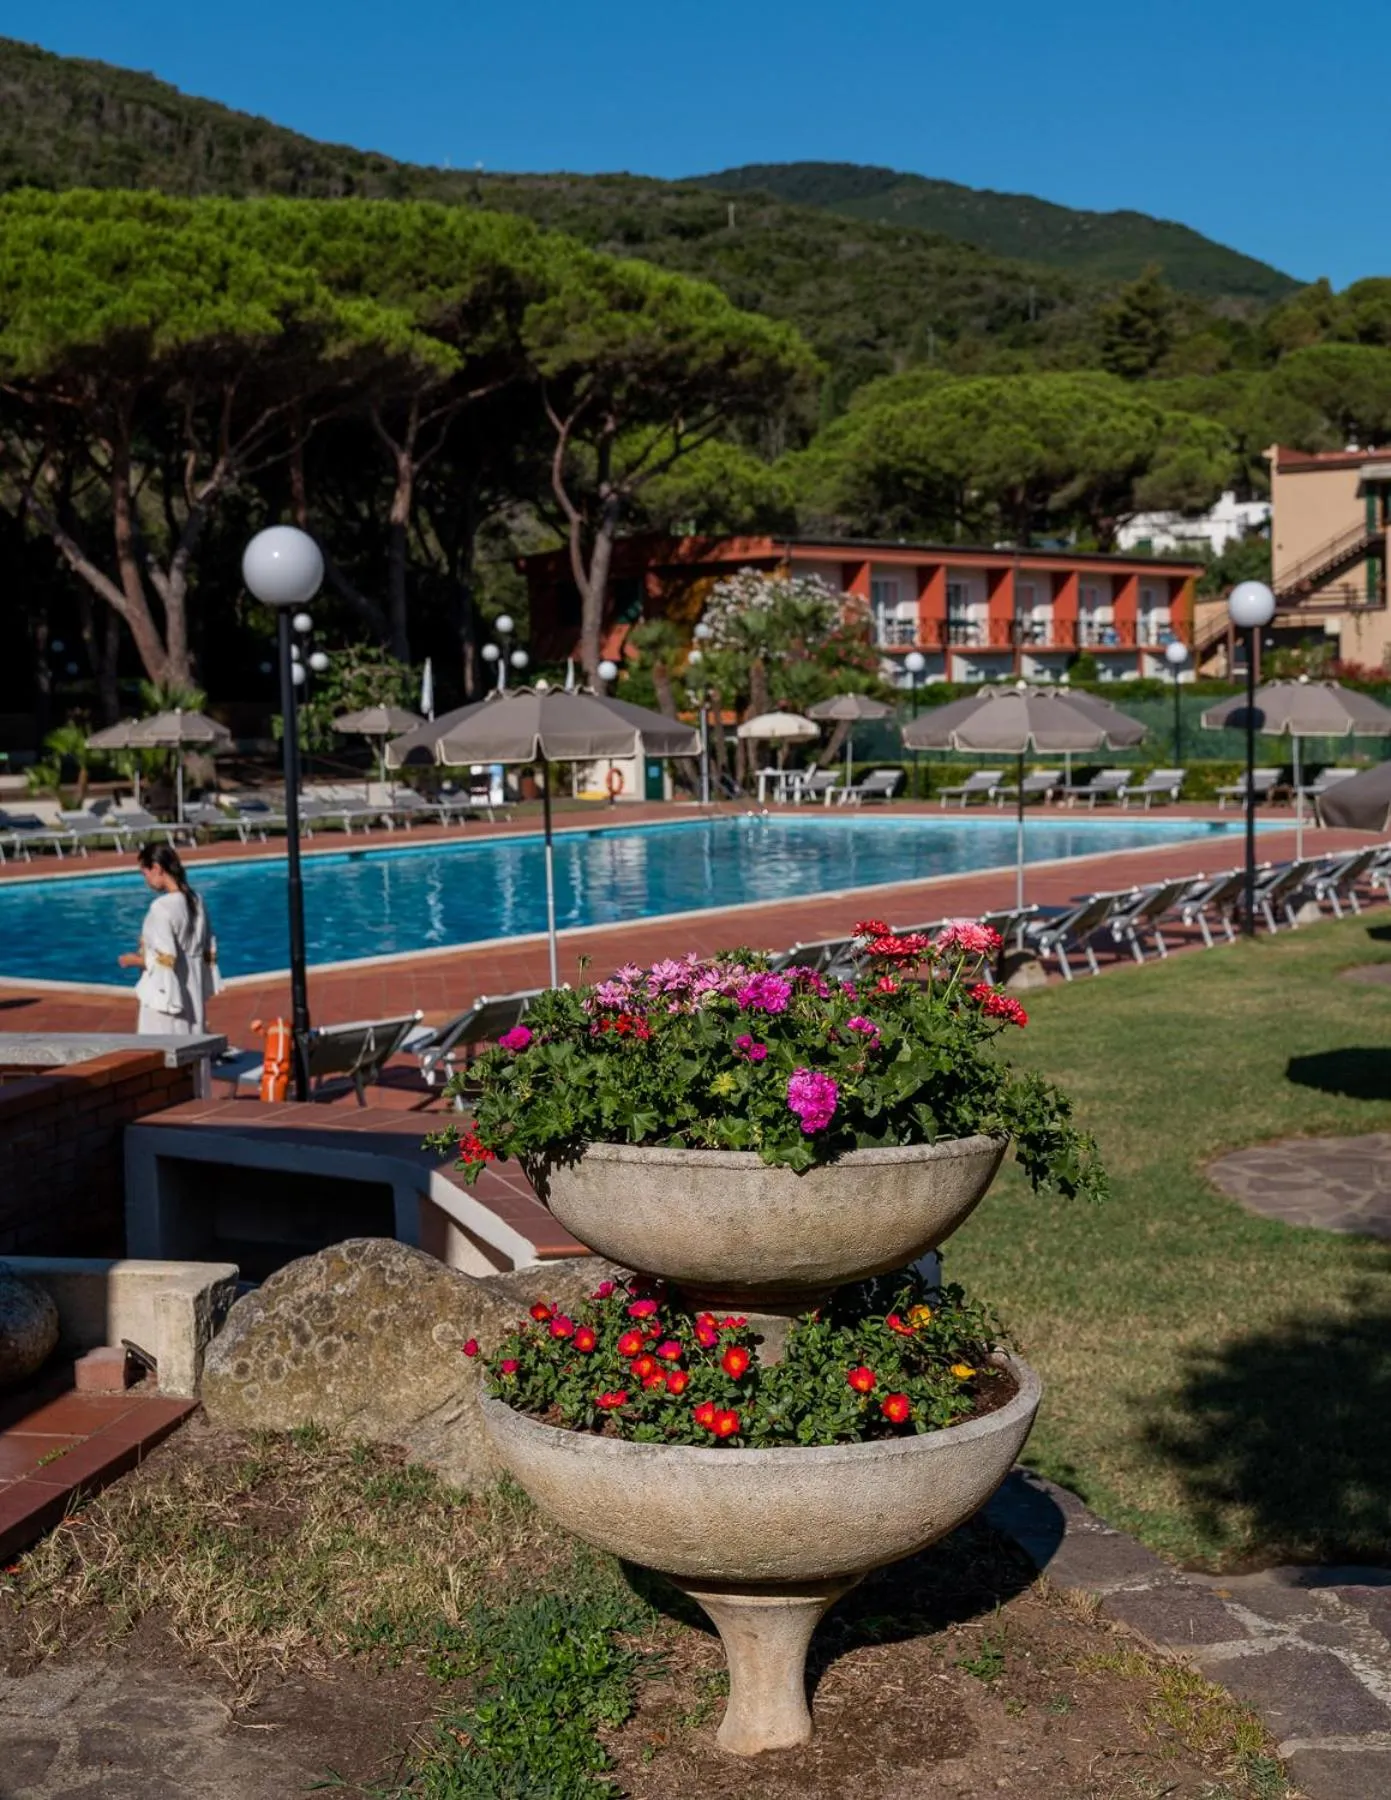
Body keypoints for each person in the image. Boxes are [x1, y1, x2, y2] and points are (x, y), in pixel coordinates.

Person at [118, 843, 220, 1034]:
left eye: (145, 874)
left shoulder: (162, 907)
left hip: (168, 1002)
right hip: (193, 997)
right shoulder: (197, 900)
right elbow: (207, 948)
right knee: (193, 1043)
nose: (146, 881)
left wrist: (132, 960)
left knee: (161, 1047)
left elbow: (165, 960)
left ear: (157, 868)